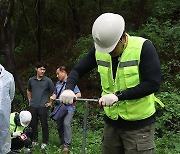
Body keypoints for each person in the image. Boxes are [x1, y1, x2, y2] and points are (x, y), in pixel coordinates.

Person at [60, 13, 164, 154]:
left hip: (138, 126)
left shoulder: (143, 48)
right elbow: (78, 70)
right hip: (112, 124)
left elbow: (153, 83)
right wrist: (69, 88)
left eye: (111, 48)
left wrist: (118, 96)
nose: (108, 52)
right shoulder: (100, 49)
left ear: (122, 37)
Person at [46, 66, 81, 153]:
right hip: (60, 108)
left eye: (58, 73)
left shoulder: (71, 83)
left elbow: (79, 94)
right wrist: (51, 101)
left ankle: (67, 145)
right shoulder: (58, 84)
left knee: (66, 123)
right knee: (59, 125)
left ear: (64, 72)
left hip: (69, 108)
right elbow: (55, 94)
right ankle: (62, 142)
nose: (57, 76)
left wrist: (71, 98)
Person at [27, 62, 54, 149]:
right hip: (33, 105)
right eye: (41, 69)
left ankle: (44, 142)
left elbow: (54, 92)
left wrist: (50, 103)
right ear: (36, 69)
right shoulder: (31, 80)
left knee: (44, 124)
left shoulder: (48, 81)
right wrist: (30, 100)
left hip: (43, 106)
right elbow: (28, 90)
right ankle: (34, 140)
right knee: (33, 124)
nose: (42, 71)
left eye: (44, 69)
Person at [0, 64, 15, 154]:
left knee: (4, 131)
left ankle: (4, 151)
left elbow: (11, 94)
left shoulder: (9, 76)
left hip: (4, 110)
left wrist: (4, 105)